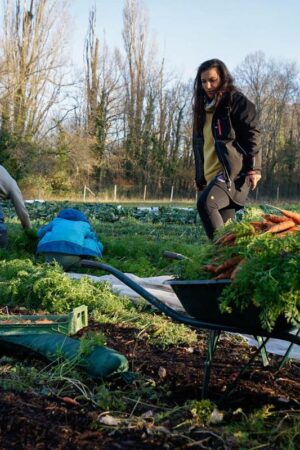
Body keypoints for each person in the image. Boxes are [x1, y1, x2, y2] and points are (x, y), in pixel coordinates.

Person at [192, 59, 261, 239]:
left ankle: (219, 257)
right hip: (211, 176)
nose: (208, 85)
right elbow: (200, 146)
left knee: (206, 204)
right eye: (203, 81)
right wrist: (200, 177)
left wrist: (254, 168)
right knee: (229, 233)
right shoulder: (202, 109)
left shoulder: (236, 102)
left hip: (232, 174)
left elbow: (252, 134)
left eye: (212, 80)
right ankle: (233, 263)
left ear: (223, 78)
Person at [37, 208, 103, 269]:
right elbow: (95, 238)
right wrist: (100, 248)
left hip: (49, 258)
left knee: (48, 234)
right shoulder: (85, 225)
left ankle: (40, 257)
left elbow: (40, 233)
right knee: (90, 240)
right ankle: (83, 262)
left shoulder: (56, 221)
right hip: (72, 259)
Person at [0, 164, 31, 247]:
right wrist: (28, 229)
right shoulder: (13, 186)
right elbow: (22, 210)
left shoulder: (5, 176)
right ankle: (2, 250)